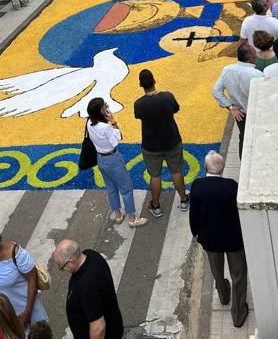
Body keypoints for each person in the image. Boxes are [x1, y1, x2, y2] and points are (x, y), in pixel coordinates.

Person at [189, 151, 248, 328]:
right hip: (234, 238)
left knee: (217, 270)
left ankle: (223, 295)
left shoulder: (197, 186)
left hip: (210, 239)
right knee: (239, 274)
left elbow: (194, 215)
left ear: (206, 167)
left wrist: (197, 234)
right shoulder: (232, 187)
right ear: (222, 169)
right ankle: (238, 314)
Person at [0, 224, 48, 329]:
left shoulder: (15, 253)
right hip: (0, 319)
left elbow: (32, 279)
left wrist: (27, 314)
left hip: (26, 311)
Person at [134, 69, 189, 217]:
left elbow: (138, 116)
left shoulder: (139, 104)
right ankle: (184, 200)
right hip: (172, 141)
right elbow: (176, 109)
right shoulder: (167, 97)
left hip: (151, 146)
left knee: (155, 176)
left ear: (140, 84)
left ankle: (156, 206)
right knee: (176, 171)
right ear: (154, 81)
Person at [86, 97, 146, 227]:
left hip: (100, 158)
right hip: (112, 159)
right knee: (126, 188)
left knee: (111, 187)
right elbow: (117, 139)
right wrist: (113, 121)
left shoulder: (89, 123)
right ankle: (131, 218)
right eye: (105, 106)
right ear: (101, 111)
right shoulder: (105, 128)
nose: (107, 107)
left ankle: (118, 215)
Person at [52, 240, 123, 339]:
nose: (63, 270)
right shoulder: (91, 255)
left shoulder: (86, 287)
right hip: (114, 321)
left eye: (61, 267)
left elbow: (98, 328)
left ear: (70, 260)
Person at [212, 43, 262, 157]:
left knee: (243, 138)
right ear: (251, 59)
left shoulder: (227, 70)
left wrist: (230, 107)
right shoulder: (257, 75)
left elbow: (216, 91)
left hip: (240, 114)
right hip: (255, 114)